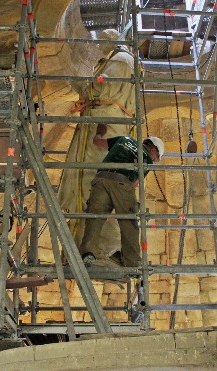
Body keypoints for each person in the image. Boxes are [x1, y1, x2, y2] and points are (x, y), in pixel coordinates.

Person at [58, 28, 136, 254]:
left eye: (102, 40)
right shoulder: (115, 60)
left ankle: (98, 249)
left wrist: (85, 87)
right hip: (100, 123)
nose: (99, 45)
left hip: (105, 125)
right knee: (87, 182)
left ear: (112, 40)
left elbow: (104, 88)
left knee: (94, 182)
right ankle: (86, 247)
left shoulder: (121, 59)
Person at [79, 127, 164, 268]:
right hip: (122, 181)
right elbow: (134, 183)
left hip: (101, 178)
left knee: (95, 218)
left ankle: (88, 253)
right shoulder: (146, 158)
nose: (153, 160)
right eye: (156, 158)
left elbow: (97, 142)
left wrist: (100, 130)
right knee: (129, 223)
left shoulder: (123, 139)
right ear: (153, 150)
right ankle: (132, 263)